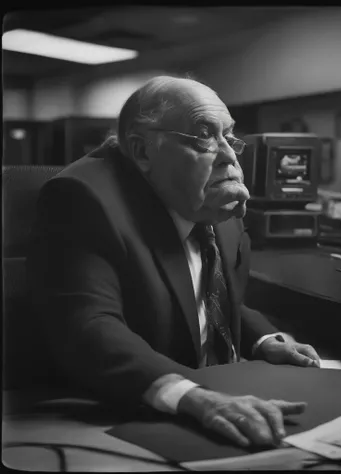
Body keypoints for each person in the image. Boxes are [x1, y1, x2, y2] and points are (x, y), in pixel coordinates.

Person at [27, 74, 321, 449]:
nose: (229, 157)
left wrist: (263, 338)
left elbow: (208, 291)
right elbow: (89, 325)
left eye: (229, 136)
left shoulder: (214, 197)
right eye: (204, 135)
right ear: (143, 150)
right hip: (115, 412)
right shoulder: (81, 198)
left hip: (227, 391)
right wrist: (196, 397)